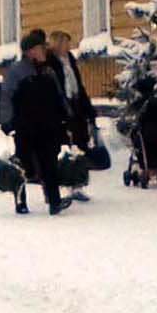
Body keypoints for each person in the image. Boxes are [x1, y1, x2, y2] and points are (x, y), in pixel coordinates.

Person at [0, 30, 71, 216]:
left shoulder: (48, 70)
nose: (44, 51)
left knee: (49, 162)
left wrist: (67, 114)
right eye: (41, 48)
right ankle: (21, 201)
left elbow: (59, 95)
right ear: (30, 51)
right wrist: (7, 121)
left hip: (48, 125)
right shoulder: (17, 72)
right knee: (24, 165)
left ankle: (54, 202)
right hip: (25, 126)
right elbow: (6, 97)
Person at [44, 30, 97, 202]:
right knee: (62, 146)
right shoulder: (51, 62)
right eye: (66, 43)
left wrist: (88, 108)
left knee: (80, 144)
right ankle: (57, 184)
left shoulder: (70, 60)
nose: (68, 46)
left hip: (75, 104)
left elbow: (78, 85)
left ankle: (77, 183)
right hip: (61, 106)